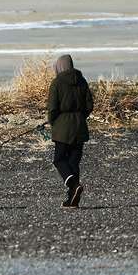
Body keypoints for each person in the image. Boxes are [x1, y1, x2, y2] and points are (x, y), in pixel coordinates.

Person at [47, 54, 94, 208]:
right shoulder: (82, 81)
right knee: (74, 162)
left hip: (62, 127)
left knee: (59, 159)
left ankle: (74, 185)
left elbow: (53, 108)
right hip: (80, 126)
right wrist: (80, 117)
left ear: (59, 67)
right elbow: (89, 106)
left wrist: (54, 122)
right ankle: (72, 200)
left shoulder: (57, 83)